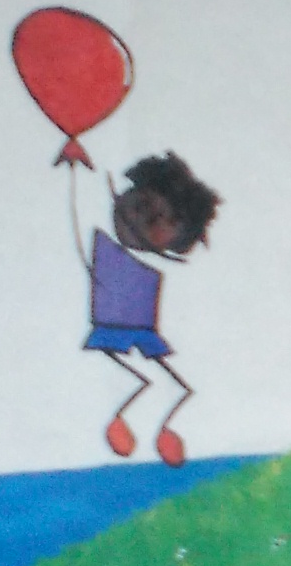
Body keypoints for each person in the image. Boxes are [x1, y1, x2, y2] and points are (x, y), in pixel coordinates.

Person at [85, 151, 219, 464]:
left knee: (171, 386)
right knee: (145, 381)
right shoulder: (105, 247)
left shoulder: (154, 268)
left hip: (139, 330)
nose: (146, 221)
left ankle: (158, 431)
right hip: (114, 329)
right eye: (142, 206)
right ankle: (126, 425)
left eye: (166, 222)